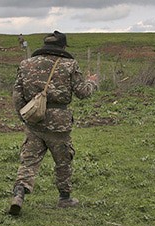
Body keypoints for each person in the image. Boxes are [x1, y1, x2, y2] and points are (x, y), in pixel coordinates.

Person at [9, 30, 98, 215]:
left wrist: (25, 116)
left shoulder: (25, 64)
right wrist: (92, 82)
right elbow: (82, 92)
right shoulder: (69, 65)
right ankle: (65, 198)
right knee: (63, 161)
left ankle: (19, 193)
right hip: (59, 123)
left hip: (34, 121)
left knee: (29, 161)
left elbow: (17, 95)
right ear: (63, 47)